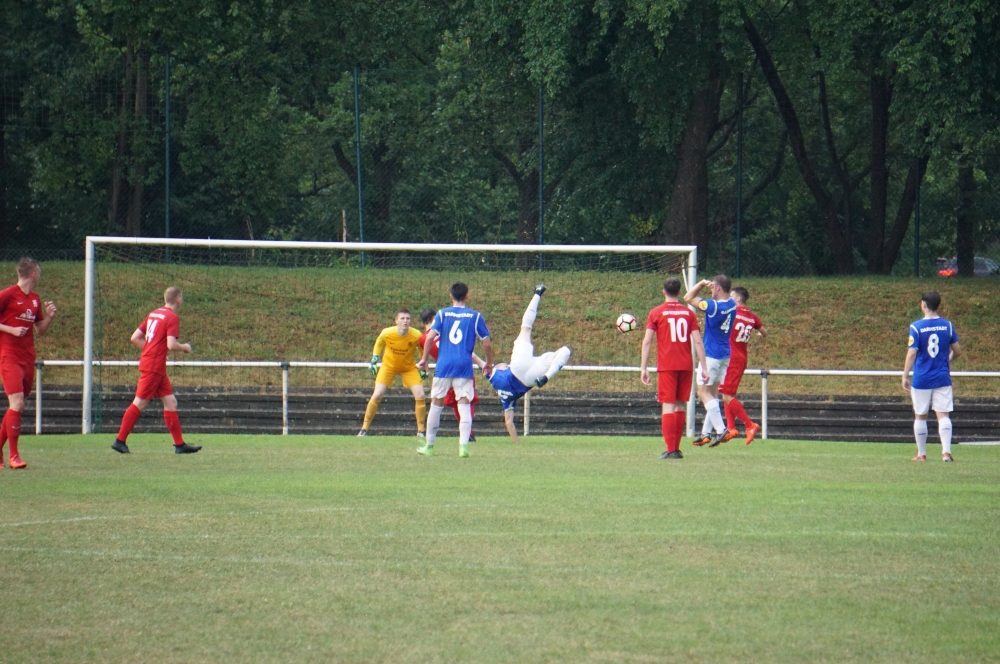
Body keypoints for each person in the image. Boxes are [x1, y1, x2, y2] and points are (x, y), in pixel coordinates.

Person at [111, 287, 201, 454]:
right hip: (153, 367)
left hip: (155, 365)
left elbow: (135, 338)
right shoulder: (172, 317)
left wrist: (151, 351)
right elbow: (172, 345)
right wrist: (186, 348)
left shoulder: (153, 314)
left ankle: (180, 445)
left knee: (171, 402)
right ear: (178, 300)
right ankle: (119, 440)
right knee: (140, 402)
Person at [486, 285, 572, 445]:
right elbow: (478, 360)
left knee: (564, 351)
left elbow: (509, 422)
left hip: (531, 378)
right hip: (519, 367)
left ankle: (546, 377)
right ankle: (537, 292)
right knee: (526, 328)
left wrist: (518, 445)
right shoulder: (492, 376)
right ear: (500, 368)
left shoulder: (505, 398)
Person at [416, 283, 493, 458]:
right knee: (464, 405)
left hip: (444, 365)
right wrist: (488, 363)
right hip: (464, 366)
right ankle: (463, 448)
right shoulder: (475, 316)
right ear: (467, 296)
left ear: (450, 296)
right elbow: (486, 343)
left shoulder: (443, 314)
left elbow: (429, 337)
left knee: (436, 405)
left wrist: (424, 359)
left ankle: (429, 447)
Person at [640, 278, 707, 459]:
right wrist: (704, 367)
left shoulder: (656, 313)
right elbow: (698, 341)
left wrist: (643, 368)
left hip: (667, 365)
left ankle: (670, 450)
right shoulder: (688, 313)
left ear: (663, 292)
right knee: (680, 405)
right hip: (686, 365)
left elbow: (647, 341)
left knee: (668, 406)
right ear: (679, 293)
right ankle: (675, 449)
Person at [0, 258, 57, 469]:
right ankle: (14, 456)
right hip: (9, 357)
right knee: (17, 404)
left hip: (27, 359)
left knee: (16, 407)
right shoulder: (7, 294)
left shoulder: (35, 299)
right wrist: (10, 329)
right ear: (33, 273)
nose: (40, 275)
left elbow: (40, 330)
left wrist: (49, 317)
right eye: (39, 271)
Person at [902, 291, 961, 462]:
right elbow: (957, 351)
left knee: (921, 415)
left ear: (924, 305)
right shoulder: (947, 326)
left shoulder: (916, 327)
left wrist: (905, 375)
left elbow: (912, 353)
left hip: (922, 378)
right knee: (943, 415)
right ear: (938, 305)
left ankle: (921, 454)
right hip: (942, 377)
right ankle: (946, 452)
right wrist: (946, 361)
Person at [683, 275, 736, 447]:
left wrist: (700, 284)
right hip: (725, 354)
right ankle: (706, 433)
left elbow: (688, 298)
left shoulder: (712, 306)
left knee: (702, 392)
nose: (711, 289)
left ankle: (721, 430)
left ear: (718, 288)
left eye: (713, 287)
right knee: (712, 394)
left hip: (712, 354)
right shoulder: (732, 304)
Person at [358, 309, 427, 437]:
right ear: (396, 321)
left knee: (421, 395)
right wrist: (374, 359)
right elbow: (379, 343)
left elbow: (422, 349)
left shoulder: (416, 335)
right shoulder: (387, 333)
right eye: (402, 318)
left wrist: (424, 366)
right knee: (377, 395)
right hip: (388, 367)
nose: (405, 321)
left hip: (408, 368)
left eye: (408, 318)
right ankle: (364, 429)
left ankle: (421, 431)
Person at [418, 308, 483, 442]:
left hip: (443, 371)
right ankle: (467, 436)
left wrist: (424, 363)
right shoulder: (445, 332)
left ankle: (430, 442)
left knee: (443, 404)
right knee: (465, 402)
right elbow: (470, 353)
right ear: (434, 318)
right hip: (462, 368)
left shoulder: (422, 340)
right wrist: (482, 364)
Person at [718, 286, 767, 446]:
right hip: (741, 358)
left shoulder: (732, 314)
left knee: (727, 396)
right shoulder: (752, 317)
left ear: (737, 299)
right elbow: (764, 332)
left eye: (731, 297)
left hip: (732, 358)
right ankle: (731, 428)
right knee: (726, 393)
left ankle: (750, 425)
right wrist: (759, 333)